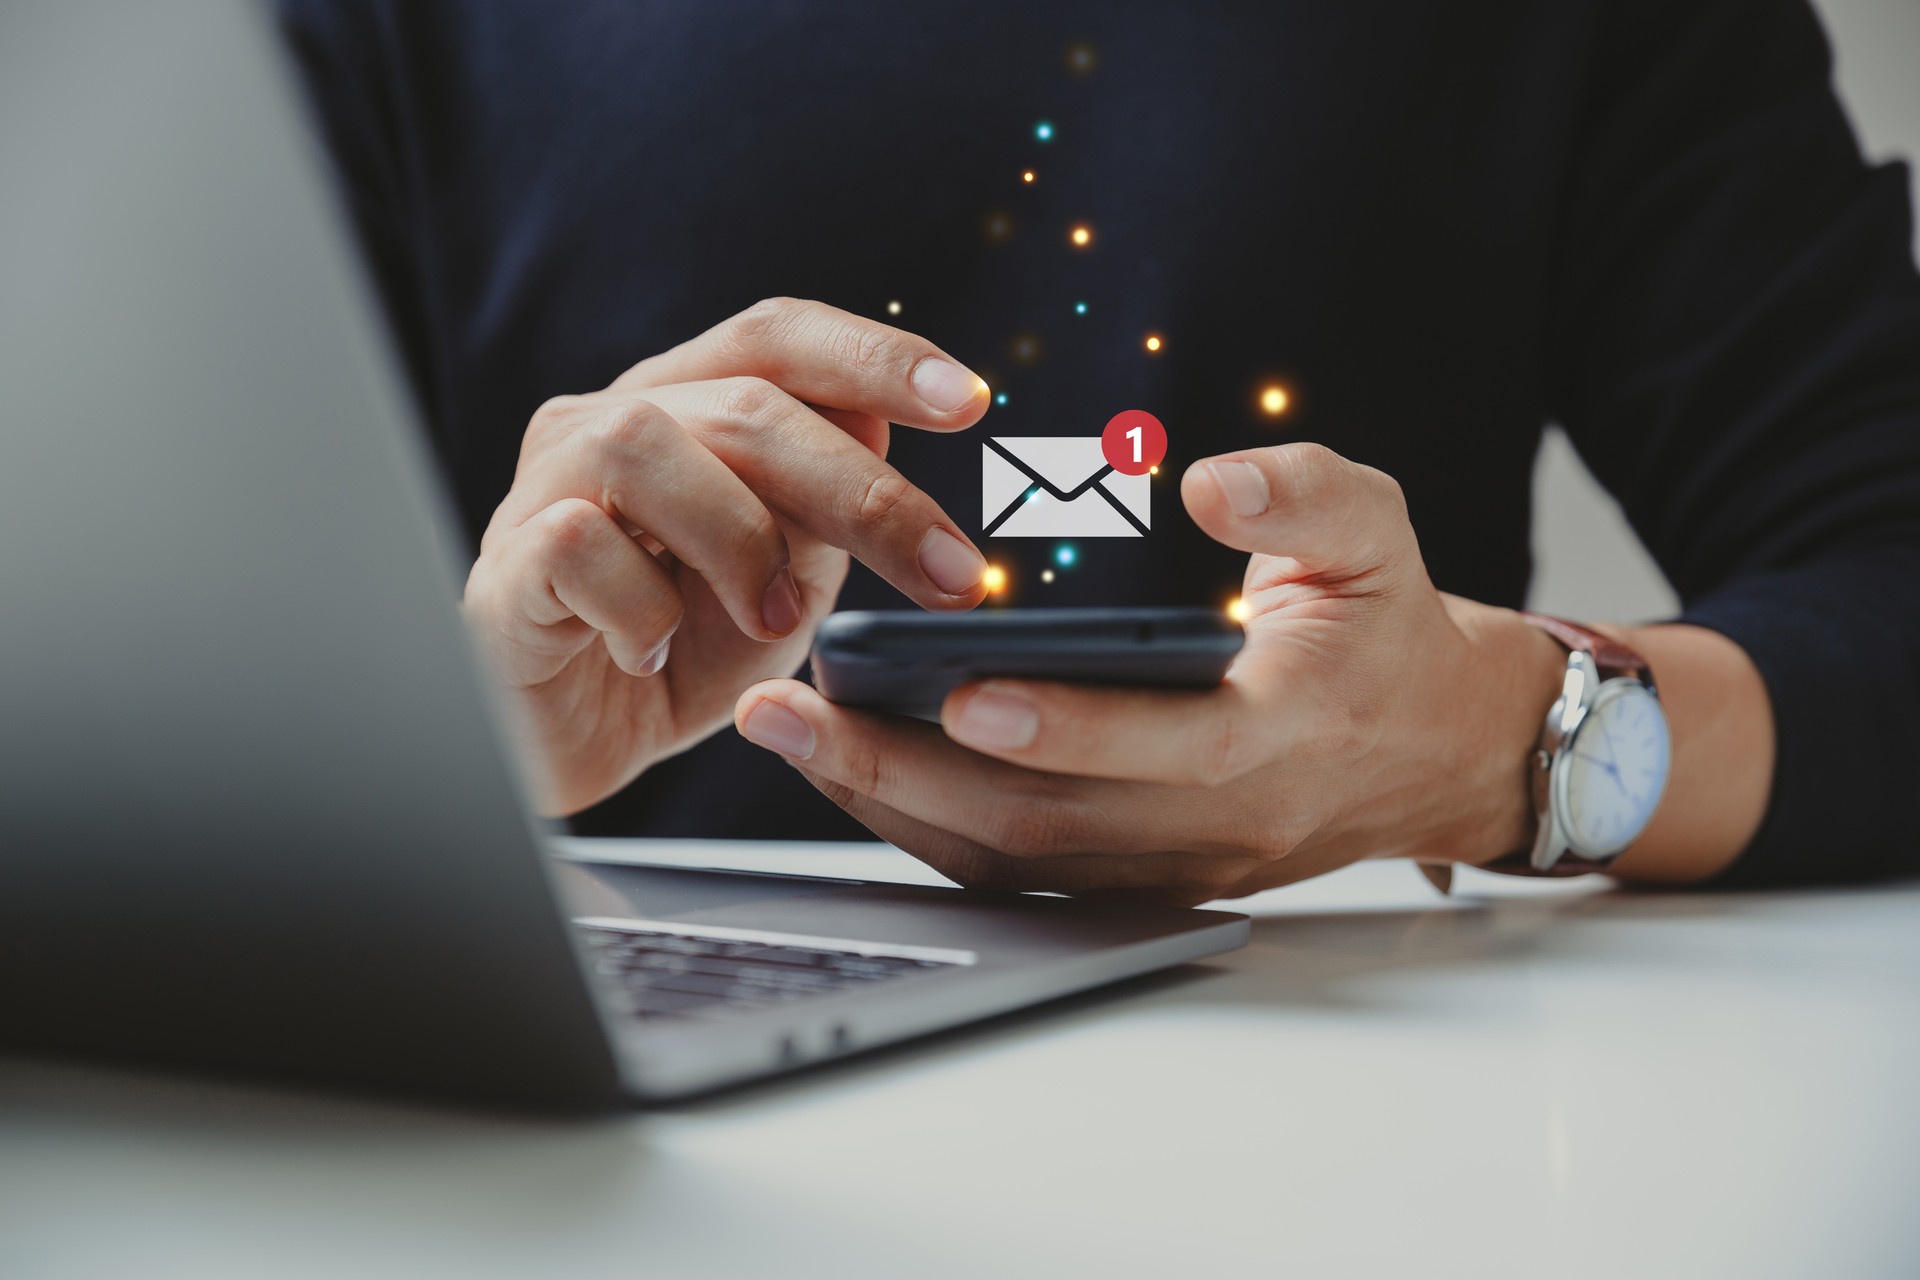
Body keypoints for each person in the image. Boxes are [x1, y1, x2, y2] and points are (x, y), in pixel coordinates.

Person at [279, 0, 1920, 900]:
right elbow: (135, 681)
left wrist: (1508, 746)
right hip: (594, 1143)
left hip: (1361, 1133)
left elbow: (1887, 567)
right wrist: (456, 755)